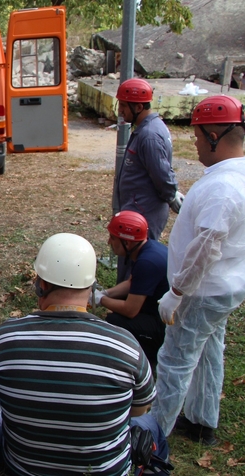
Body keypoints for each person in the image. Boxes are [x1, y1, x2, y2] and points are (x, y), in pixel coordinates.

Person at [0, 233, 166, 475]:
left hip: (23, 471)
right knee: (151, 426)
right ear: (91, 286)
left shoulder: (5, 337)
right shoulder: (125, 344)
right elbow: (138, 409)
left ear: (42, 285)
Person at [153, 95, 245, 446]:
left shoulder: (223, 188)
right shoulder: (235, 176)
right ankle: (203, 421)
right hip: (226, 285)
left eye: (196, 136)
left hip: (201, 290)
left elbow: (205, 248)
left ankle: (154, 434)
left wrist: (177, 292)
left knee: (176, 359)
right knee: (209, 351)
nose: (194, 143)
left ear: (214, 136)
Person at [95, 211, 169, 373]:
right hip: (163, 314)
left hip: (166, 328)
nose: (109, 242)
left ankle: (142, 359)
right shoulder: (149, 248)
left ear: (127, 243)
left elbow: (130, 310)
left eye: (113, 238)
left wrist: (100, 300)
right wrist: (105, 293)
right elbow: (131, 283)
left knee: (115, 321)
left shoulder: (147, 262)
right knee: (117, 309)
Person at [115, 78, 182, 241]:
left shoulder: (149, 135)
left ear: (138, 107)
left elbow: (162, 174)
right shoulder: (148, 128)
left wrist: (171, 195)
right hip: (139, 210)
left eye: (123, 105)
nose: (120, 111)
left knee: (138, 255)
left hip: (144, 213)